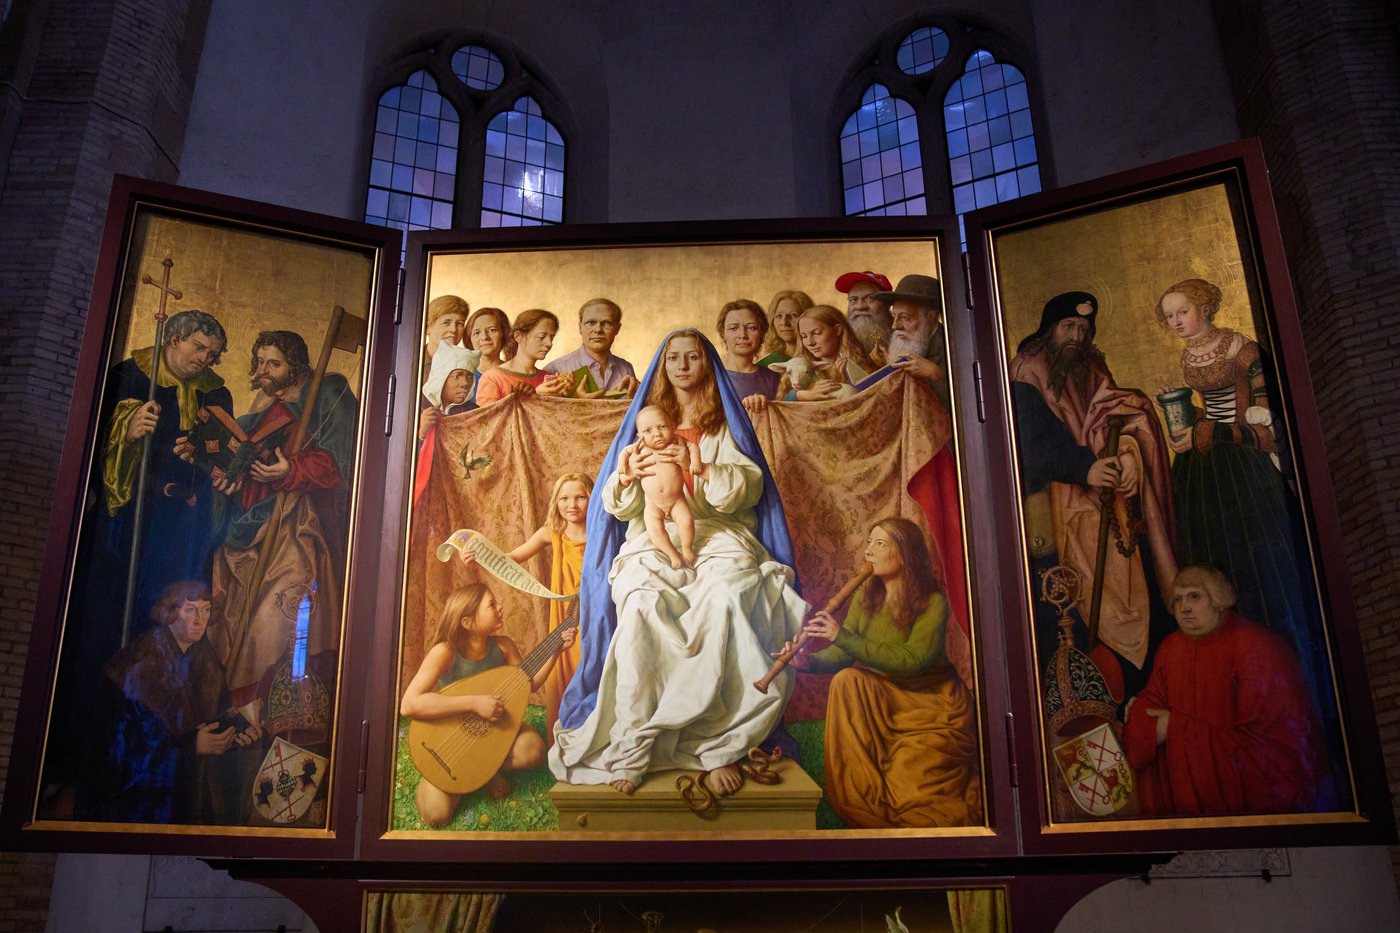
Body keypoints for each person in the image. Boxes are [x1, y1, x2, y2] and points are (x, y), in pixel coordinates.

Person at [550, 330, 807, 798]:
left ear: (707, 365)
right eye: (674, 359)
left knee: (727, 595)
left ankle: (718, 743)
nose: (684, 366)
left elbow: (747, 490)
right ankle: (632, 745)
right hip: (652, 537)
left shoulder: (724, 426)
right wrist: (626, 479)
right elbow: (618, 505)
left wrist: (704, 469)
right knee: (641, 605)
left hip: (717, 534)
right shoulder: (646, 426)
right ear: (662, 367)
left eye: (693, 357)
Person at [1153, 278, 1329, 709]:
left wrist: (1208, 430)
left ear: (1206, 308)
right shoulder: (1187, 354)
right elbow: (1206, 414)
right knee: (1214, 557)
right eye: (1169, 315)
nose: (1176, 321)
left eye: (1183, 311)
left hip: (1244, 470)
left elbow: (1267, 431)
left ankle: (1285, 681)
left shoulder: (1243, 351)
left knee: (1260, 568)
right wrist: (1185, 417)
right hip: (1203, 470)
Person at [1009, 291, 1178, 700]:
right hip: (1052, 513)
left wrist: (1127, 455)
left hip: (1110, 503)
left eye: (1084, 330)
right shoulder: (1026, 374)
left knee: (1138, 590)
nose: (1076, 336)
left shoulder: (1091, 369)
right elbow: (1030, 445)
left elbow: (1116, 417)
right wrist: (1084, 467)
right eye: (1068, 326)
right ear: (1050, 330)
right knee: (1068, 614)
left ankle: (1141, 691)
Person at [204, 330, 359, 710]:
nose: (264, 370)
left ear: (296, 364)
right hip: (251, 523)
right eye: (259, 362)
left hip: (296, 524)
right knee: (237, 616)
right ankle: (243, 711)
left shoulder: (326, 393)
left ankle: (283, 709)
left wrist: (291, 470)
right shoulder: (260, 408)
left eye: (274, 363)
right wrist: (228, 474)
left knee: (276, 622)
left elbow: (344, 460)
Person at [798, 518, 981, 828]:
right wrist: (807, 662)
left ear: (905, 554)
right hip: (886, 701)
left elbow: (911, 660)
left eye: (879, 544)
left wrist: (841, 635)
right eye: (869, 542)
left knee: (915, 791)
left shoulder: (933, 603)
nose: (868, 552)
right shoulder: (866, 596)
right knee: (847, 680)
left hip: (933, 705)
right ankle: (861, 796)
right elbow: (845, 655)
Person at [1123, 565, 1331, 817]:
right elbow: (1150, 701)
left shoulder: (1257, 646)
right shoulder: (1171, 648)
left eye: (1194, 596)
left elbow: (1274, 751)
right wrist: (1143, 720)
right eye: (1177, 599)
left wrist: (1173, 727)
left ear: (1219, 599)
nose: (1184, 607)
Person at [400, 583, 576, 826]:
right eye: (491, 605)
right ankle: (467, 775)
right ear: (468, 622)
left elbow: (530, 683)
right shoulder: (445, 652)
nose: (500, 607)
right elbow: (409, 704)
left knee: (533, 749)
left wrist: (557, 649)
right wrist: (473, 703)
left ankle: (483, 772)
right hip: (450, 738)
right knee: (436, 814)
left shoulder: (503, 646)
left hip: (493, 734)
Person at [94, 580, 261, 824]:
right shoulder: (141, 662)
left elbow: (218, 721)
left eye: (205, 610)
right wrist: (190, 748)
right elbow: (121, 750)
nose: (199, 620)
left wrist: (239, 736)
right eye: (190, 609)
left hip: (192, 802)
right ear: (170, 613)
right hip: (149, 809)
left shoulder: (208, 663)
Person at [458, 472, 594, 736]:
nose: (572, 504)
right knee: (568, 659)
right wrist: (478, 559)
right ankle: (572, 730)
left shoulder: (602, 530)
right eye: (564, 498)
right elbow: (511, 558)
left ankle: (599, 729)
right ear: (556, 502)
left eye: (580, 497)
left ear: (592, 498)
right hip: (568, 611)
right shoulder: (552, 533)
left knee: (596, 659)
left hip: (597, 608)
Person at [618, 405, 704, 569]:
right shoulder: (639, 447)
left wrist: (695, 462)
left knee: (687, 522)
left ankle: (686, 548)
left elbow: (693, 447)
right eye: (648, 431)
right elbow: (624, 453)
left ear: (671, 425)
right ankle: (672, 554)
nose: (657, 433)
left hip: (677, 500)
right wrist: (622, 466)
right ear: (640, 435)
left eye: (662, 426)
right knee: (654, 531)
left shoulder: (676, 441)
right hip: (653, 504)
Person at [875, 274, 951, 412]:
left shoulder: (952, 348)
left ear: (931, 317)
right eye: (894, 316)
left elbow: (966, 408)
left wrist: (936, 374)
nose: (895, 326)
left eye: (904, 317)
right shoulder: (909, 340)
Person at [473, 309, 573, 406]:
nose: (549, 343)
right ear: (518, 336)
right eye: (542, 337)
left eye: (551, 338)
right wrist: (535, 396)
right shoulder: (493, 378)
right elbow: (486, 420)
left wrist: (571, 396)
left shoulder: (547, 378)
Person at [543, 297, 639, 397]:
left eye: (607, 323)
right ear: (580, 328)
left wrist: (640, 391)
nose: (598, 330)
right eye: (591, 323)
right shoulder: (554, 370)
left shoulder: (626, 369)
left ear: (617, 329)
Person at [776, 304, 873, 400]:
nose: (810, 343)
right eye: (804, 336)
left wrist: (844, 380)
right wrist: (800, 395)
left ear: (837, 330)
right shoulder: (799, 365)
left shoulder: (857, 363)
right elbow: (781, 403)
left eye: (816, 333)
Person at [716, 298, 781, 405]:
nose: (743, 335)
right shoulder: (711, 376)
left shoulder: (773, 379)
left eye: (751, 328)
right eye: (733, 328)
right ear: (723, 333)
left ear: (762, 333)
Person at [835, 270, 894, 366]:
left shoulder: (903, 337)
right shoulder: (835, 339)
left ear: (887, 303)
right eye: (853, 300)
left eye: (870, 298)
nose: (860, 306)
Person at [756, 290, 813, 367]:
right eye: (779, 316)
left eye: (793, 315)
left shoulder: (822, 360)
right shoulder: (763, 366)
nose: (784, 323)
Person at [422, 295, 468, 363]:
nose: (454, 330)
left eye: (460, 324)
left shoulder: (467, 362)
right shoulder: (413, 358)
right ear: (427, 328)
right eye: (446, 323)